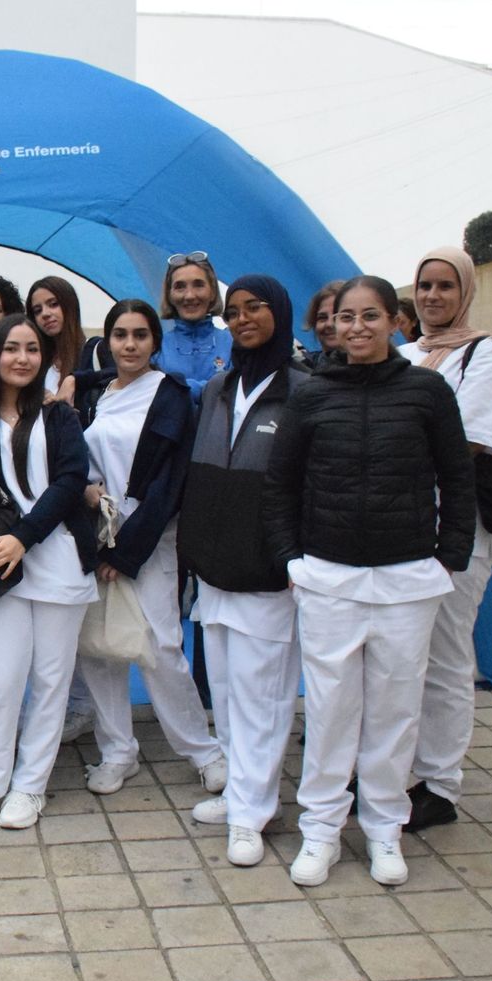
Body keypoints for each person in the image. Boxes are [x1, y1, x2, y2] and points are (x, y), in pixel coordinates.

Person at [264, 275, 475, 888]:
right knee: (331, 712)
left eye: (370, 316)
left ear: (394, 322)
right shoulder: (312, 394)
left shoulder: (427, 391)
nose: (357, 327)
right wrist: (292, 561)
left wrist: (448, 557)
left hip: (408, 579)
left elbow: (457, 478)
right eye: (346, 317)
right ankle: (322, 832)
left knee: (394, 711)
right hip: (328, 577)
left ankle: (385, 829)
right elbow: (282, 484)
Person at [0, 314, 97, 831]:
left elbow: (71, 480)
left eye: (32, 349)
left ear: (45, 358)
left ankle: (30, 786)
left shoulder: (60, 418)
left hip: (58, 559)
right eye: (12, 348)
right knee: (1, 676)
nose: (22, 358)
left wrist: (24, 536)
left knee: (51, 680)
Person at [179, 276, 307, 866]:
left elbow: (307, 486)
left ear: (279, 313)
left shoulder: (305, 390)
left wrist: (291, 555)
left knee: (264, 694)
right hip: (215, 565)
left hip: (266, 569)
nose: (243, 317)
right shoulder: (219, 388)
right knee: (226, 691)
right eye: (234, 310)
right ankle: (240, 792)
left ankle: (255, 811)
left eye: (256, 307)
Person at [73, 300, 225, 796]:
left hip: (151, 540)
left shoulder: (171, 394)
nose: (130, 344)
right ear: (108, 342)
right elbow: (78, 461)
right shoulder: (97, 394)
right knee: (99, 650)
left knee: (161, 647)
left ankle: (203, 752)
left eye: (140, 335)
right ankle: (117, 750)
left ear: (155, 343)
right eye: (120, 335)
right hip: (96, 537)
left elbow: (168, 483)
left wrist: (125, 552)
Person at [403, 247, 492, 832]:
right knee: (403, 658)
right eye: (424, 285)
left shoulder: (486, 355)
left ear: (465, 291)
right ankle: (396, 769)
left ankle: (440, 783)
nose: (432, 296)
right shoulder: (407, 354)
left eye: (445, 286)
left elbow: (469, 440)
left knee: (447, 657)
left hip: (453, 529)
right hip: (395, 530)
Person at [27, 276, 114, 407]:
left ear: (70, 305)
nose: (45, 314)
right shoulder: (37, 364)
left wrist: (74, 380)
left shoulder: (95, 349)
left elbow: (126, 373)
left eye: (53, 304)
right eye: (37, 311)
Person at [159, 252, 232, 404]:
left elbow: (236, 391)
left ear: (212, 292)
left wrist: (178, 387)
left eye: (198, 285)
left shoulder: (232, 343)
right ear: (169, 295)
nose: (190, 295)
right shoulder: (156, 347)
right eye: (180, 287)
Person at [300, 281, 346, 369]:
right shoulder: (299, 372)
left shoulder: (377, 374)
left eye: (339, 316)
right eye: (322, 317)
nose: (329, 324)